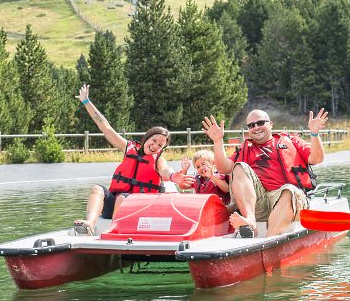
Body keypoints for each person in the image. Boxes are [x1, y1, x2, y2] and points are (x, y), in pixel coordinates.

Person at [72, 84, 186, 235]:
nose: (155, 146)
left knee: (122, 198)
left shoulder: (158, 160)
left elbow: (165, 170)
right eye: (154, 140)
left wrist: (172, 177)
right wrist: (86, 101)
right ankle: (89, 224)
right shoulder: (128, 148)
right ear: (147, 137)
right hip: (116, 202)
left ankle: (113, 229)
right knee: (97, 189)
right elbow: (105, 127)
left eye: (160, 145)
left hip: (138, 208)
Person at [202, 108, 327, 238]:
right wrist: (218, 141)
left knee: (289, 191)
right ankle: (250, 221)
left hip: (287, 199)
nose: (256, 127)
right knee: (239, 167)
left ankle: (269, 241)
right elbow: (223, 168)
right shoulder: (245, 149)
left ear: (271, 124)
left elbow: (316, 158)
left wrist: (314, 134)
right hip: (258, 203)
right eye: (251, 125)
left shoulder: (291, 141)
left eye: (260, 123)